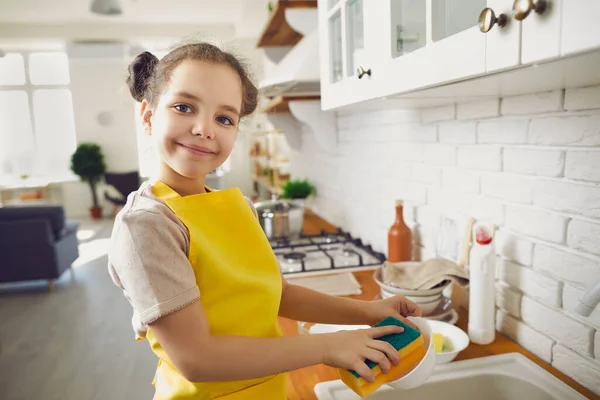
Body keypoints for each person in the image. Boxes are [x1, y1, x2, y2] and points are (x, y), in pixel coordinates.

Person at [108, 41, 421, 400]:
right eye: (184, 107)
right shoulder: (147, 225)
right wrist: (327, 346)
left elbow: (278, 295)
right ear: (148, 117)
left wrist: (368, 312)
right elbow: (197, 358)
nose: (203, 128)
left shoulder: (238, 205)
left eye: (224, 118)